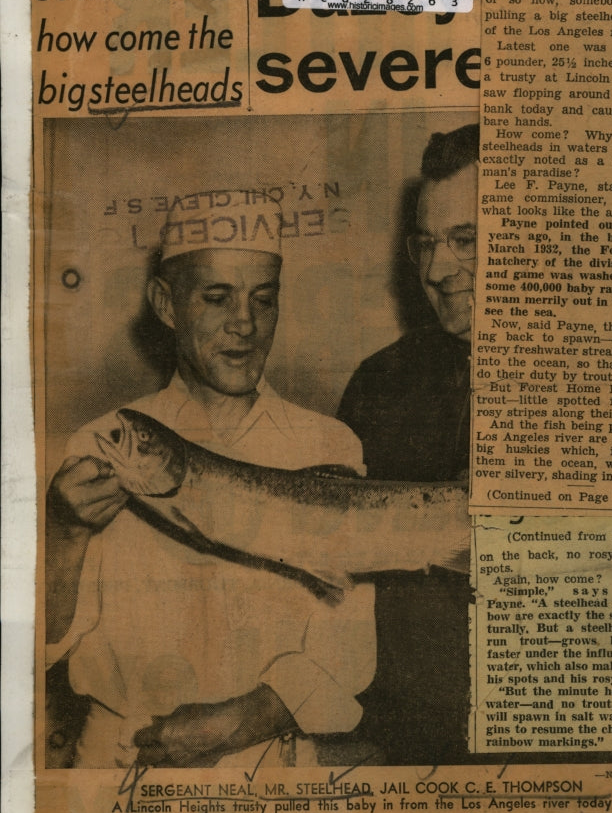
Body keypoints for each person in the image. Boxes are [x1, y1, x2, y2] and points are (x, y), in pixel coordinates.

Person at [45, 190, 377, 769]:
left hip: (268, 760)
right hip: (121, 761)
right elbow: (43, 644)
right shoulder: (102, 445)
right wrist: (66, 532)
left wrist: (241, 722)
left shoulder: (328, 446)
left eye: (263, 299)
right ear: (166, 304)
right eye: (217, 298)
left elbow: (348, 649)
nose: (244, 323)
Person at [338, 124, 478, 764]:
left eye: (466, 240)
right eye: (425, 243)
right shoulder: (379, 382)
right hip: (398, 744)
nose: (438, 269)